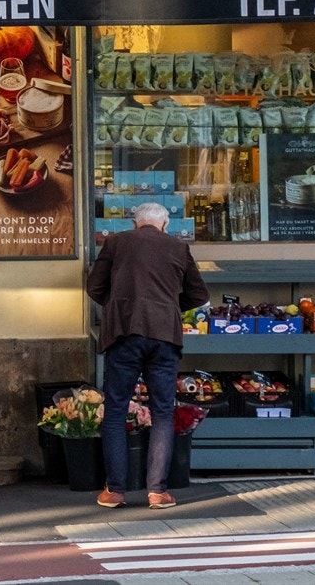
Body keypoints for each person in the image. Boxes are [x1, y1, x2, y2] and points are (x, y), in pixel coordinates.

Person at [85, 201, 209, 511]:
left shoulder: (116, 243)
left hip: (123, 332)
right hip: (164, 335)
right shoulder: (178, 247)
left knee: (115, 410)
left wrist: (118, 304)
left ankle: (115, 491)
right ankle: (157, 492)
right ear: (165, 225)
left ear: (134, 223)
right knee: (163, 412)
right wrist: (168, 306)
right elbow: (199, 295)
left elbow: (94, 287)